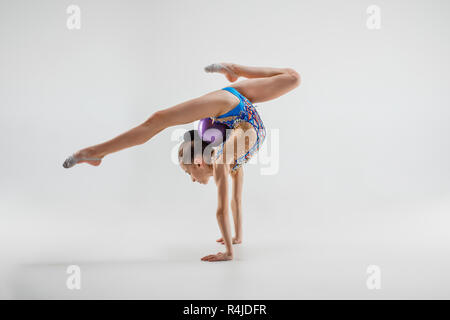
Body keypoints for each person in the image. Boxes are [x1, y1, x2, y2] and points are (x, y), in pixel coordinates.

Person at [63, 63, 301, 261]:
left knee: (159, 119)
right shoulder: (227, 161)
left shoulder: (224, 160)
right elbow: (232, 204)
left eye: (187, 173)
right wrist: (235, 241)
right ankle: (97, 152)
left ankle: (234, 68)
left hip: (234, 105)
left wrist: (230, 249)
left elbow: (225, 208)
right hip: (236, 104)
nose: (191, 179)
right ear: (199, 161)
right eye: (189, 174)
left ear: (198, 161)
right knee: (292, 78)